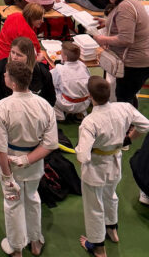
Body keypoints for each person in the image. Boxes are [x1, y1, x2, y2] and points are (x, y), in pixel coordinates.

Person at [0, 36, 55, 220]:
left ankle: (30, 194)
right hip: (6, 124)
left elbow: (50, 101)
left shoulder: (42, 74)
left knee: (31, 165)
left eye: (19, 55)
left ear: (29, 57)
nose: (14, 57)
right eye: (12, 52)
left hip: (31, 130)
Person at [75, 76, 149, 256]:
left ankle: (98, 247)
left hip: (95, 169)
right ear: (110, 93)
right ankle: (112, 229)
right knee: (111, 195)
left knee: (94, 206)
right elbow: (145, 126)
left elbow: (83, 157)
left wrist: (79, 150)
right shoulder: (124, 108)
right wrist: (128, 139)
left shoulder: (90, 122)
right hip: (115, 162)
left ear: (90, 96)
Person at [0, 59, 58, 257]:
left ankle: (16, 247)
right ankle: (35, 241)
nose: (4, 75)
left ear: (12, 83)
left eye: (6, 74)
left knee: (13, 202)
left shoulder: (3, 107)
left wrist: (7, 177)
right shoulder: (44, 105)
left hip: (10, 162)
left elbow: (0, 148)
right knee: (32, 198)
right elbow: (50, 143)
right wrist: (27, 160)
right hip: (34, 162)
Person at [92, 0, 149, 107]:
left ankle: (129, 120)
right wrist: (108, 22)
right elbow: (130, 24)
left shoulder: (125, 7)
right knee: (129, 95)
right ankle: (131, 118)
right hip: (141, 59)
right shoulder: (131, 0)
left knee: (124, 99)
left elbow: (125, 39)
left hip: (134, 63)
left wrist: (103, 39)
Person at [51, 40, 90, 121]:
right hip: (85, 103)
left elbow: (51, 82)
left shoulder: (59, 69)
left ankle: (59, 115)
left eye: (61, 53)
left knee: (49, 88)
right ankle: (81, 112)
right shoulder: (83, 66)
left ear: (65, 57)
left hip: (67, 104)